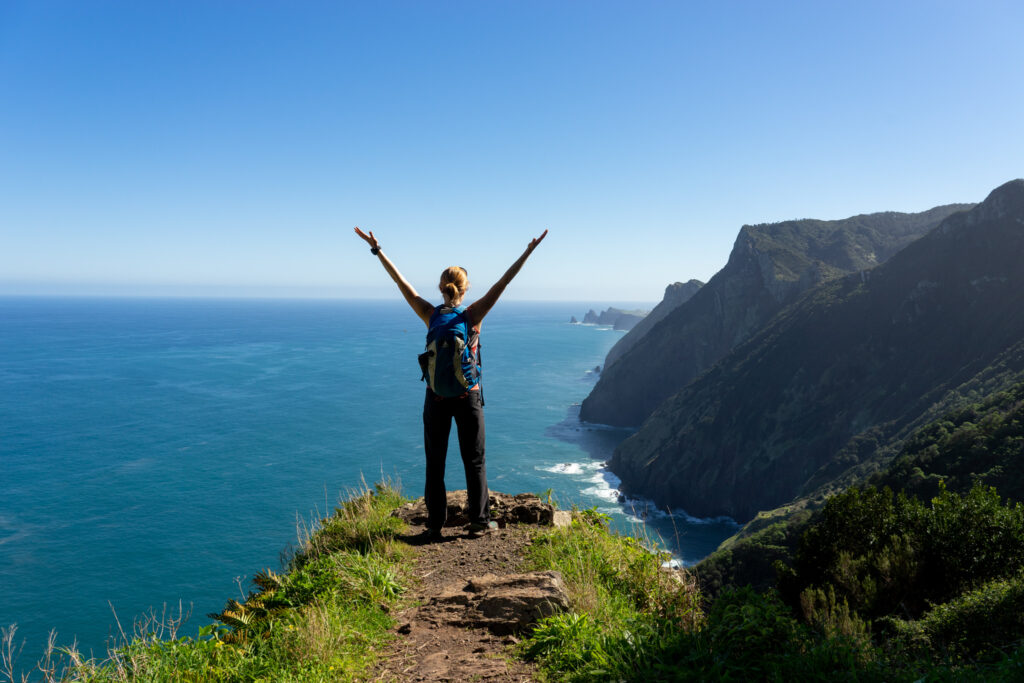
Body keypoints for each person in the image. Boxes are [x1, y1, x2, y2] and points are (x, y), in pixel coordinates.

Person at [353, 226, 548, 540]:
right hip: (468, 397)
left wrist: (378, 249)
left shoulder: (429, 314)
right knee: (475, 459)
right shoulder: (473, 315)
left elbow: (400, 282)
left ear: (441, 287)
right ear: (465, 287)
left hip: (436, 398)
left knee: (435, 461)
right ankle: (479, 522)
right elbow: (505, 281)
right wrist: (529, 251)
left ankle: (434, 525)